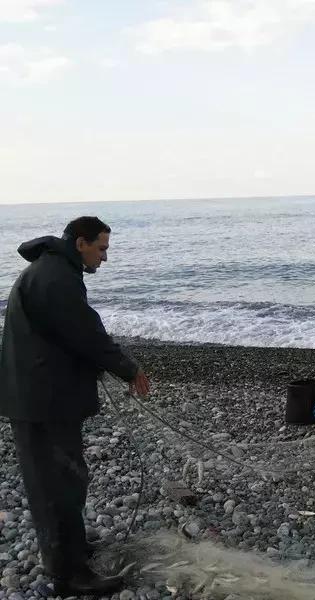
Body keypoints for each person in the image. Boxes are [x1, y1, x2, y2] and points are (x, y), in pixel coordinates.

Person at [0, 217, 150, 597]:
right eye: (101, 248)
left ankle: (73, 550)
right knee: (56, 487)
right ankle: (69, 575)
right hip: (42, 402)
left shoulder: (55, 270)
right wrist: (128, 369)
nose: (104, 257)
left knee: (70, 478)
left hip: (46, 396)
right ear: (80, 243)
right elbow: (86, 333)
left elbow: (70, 335)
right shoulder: (55, 277)